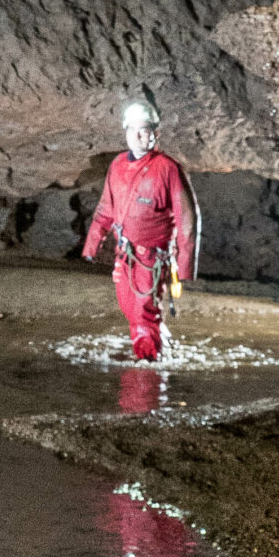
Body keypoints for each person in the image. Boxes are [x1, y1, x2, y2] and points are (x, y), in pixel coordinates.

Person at [82, 90, 200, 363]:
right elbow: (105, 208)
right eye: (132, 130)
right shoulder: (117, 165)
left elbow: (187, 221)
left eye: (144, 130)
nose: (137, 136)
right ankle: (157, 342)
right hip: (124, 254)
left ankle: (146, 371)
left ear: (155, 133)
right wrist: (92, 243)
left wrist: (184, 267)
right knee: (129, 307)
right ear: (125, 131)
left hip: (151, 258)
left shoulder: (168, 168)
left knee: (143, 311)